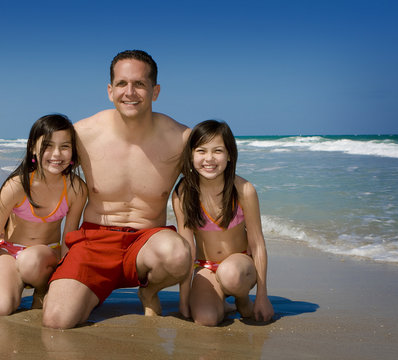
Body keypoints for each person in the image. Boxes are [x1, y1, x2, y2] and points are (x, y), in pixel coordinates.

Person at [42, 50, 192, 329]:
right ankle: (91, 290)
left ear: (155, 91)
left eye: (140, 84)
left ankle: (148, 290)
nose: (130, 92)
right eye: (122, 84)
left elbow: (210, 190)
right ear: (110, 90)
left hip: (147, 243)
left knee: (178, 255)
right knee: (56, 321)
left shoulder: (181, 139)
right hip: (94, 241)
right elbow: (46, 180)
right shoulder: (82, 135)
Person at [0, 114, 87, 316]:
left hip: (45, 256)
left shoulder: (75, 189)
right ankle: (11, 286)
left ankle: (43, 288)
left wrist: (60, 284)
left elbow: (68, 238)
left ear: (73, 151)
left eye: (65, 146)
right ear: (32, 148)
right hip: (9, 252)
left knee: (31, 260)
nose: (56, 154)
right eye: (48, 146)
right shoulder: (17, 186)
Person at [172, 120, 274, 325]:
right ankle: (224, 304)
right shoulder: (183, 193)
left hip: (241, 267)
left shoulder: (243, 190)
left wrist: (262, 296)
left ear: (229, 155)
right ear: (191, 155)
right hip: (206, 266)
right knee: (206, 320)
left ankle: (242, 298)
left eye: (218, 151)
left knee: (230, 275)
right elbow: (188, 246)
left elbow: (257, 243)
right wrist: (184, 300)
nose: (209, 158)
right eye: (201, 151)